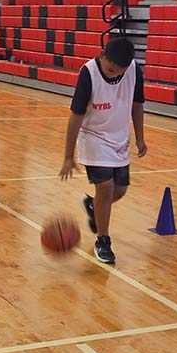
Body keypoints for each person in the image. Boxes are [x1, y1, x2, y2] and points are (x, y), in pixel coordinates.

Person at [59, 37, 147, 264]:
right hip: (93, 136)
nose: (113, 75)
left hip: (119, 139)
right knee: (106, 188)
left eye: (119, 72)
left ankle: (92, 204)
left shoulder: (134, 71)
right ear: (102, 55)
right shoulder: (88, 73)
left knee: (119, 191)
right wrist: (68, 156)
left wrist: (140, 137)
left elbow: (137, 105)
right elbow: (76, 116)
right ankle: (103, 240)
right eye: (109, 69)